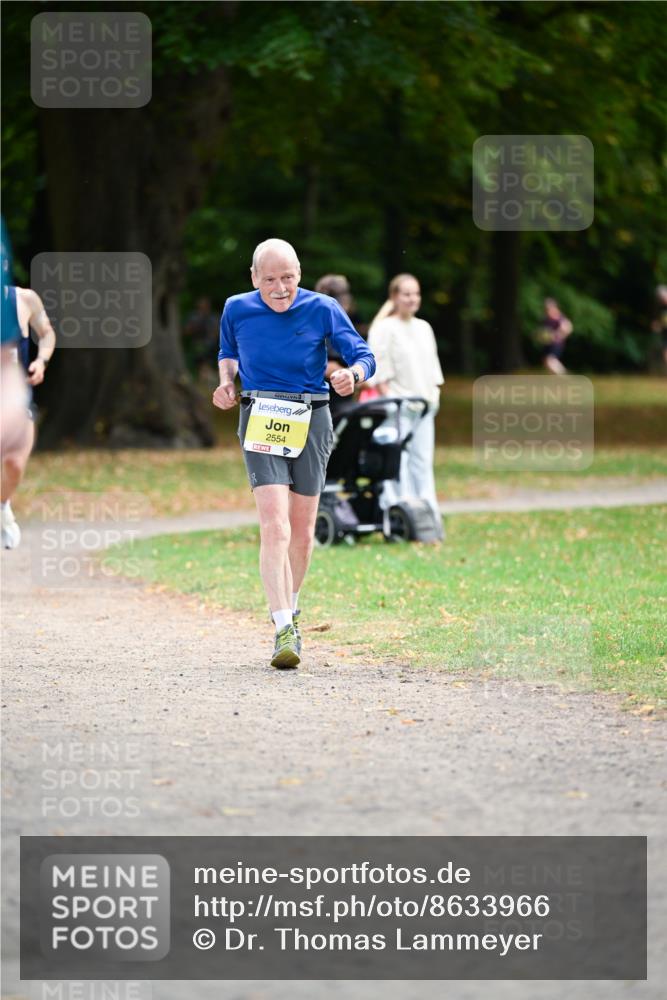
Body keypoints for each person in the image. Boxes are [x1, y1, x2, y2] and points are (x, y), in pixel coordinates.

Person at [212, 238, 375, 668]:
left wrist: (352, 374)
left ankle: (293, 609)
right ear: (254, 278)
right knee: (275, 526)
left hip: (312, 416)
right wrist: (228, 383)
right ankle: (283, 626)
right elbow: (228, 353)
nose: (280, 288)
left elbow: (362, 354)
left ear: (299, 274)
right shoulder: (237, 308)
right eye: (270, 280)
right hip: (260, 414)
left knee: (302, 533)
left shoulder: (322, 308)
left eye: (287, 278)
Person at [367, 273, 444, 539]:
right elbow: (379, 370)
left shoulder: (424, 328)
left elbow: (432, 369)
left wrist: (432, 396)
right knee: (397, 463)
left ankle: (428, 519)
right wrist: (390, 398)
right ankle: (400, 517)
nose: (412, 299)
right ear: (394, 297)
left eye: (416, 293)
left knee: (422, 462)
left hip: (424, 405)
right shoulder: (384, 328)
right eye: (406, 294)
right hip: (397, 406)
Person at [1, 286, 56, 549]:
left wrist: (41, 361)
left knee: (14, 464)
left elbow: (46, 334)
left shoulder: (25, 299)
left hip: (14, 400)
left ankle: (2, 504)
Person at [314, 273, 364, 422]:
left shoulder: (345, 329)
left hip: (344, 401)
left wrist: (357, 374)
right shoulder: (315, 327)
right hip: (322, 402)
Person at [183, 296, 219, 384]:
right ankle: (206, 380)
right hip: (197, 343)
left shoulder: (213, 317)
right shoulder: (194, 317)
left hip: (211, 345)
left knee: (205, 362)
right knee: (201, 362)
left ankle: (207, 379)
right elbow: (186, 331)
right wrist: (194, 327)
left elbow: (217, 332)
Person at [539, 297, 573, 375]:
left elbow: (568, 327)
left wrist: (557, 335)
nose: (548, 310)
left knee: (550, 360)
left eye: (549, 307)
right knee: (546, 362)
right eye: (546, 308)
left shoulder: (560, 317)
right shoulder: (546, 319)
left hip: (556, 343)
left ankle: (565, 376)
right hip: (548, 343)